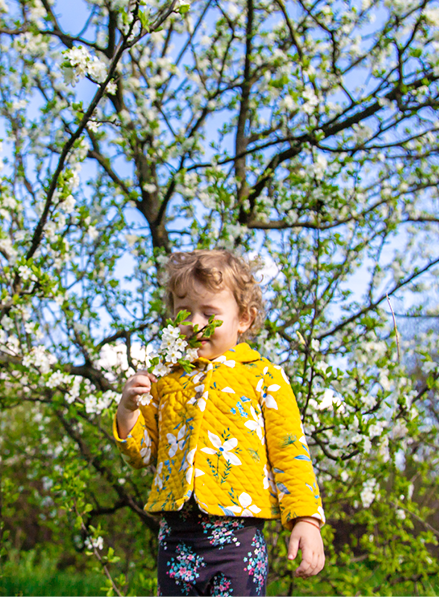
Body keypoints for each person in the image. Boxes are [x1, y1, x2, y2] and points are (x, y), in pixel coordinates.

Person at [114, 250, 325, 596]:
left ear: (244, 318)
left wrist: (305, 519)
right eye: (183, 314)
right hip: (176, 538)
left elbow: (290, 452)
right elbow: (141, 454)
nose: (195, 324)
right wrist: (127, 411)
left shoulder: (263, 377)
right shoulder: (166, 382)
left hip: (238, 540)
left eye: (209, 314)